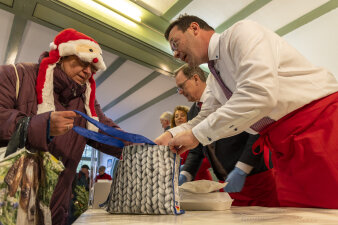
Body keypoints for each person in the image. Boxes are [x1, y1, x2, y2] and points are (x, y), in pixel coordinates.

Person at [155, 15, 338, 208]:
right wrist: (170, 134)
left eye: (175, 44)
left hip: (318, 124)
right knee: (300, 213)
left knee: (330, 208)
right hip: (283, 144)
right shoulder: (213, 78)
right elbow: (207, 114)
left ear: (194, 28)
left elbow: (259, 94)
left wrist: (196, 135)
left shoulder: (240, 33)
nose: (175, 54)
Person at [0, 28, 131, 224]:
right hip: (12, 203)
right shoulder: (15, 75)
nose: (88, 71)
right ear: (62, 55)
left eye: (93, 68)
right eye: (83, 62)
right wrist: (39, 125)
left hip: (56, 210)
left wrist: (142, 147)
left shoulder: (86, 102)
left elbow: (104, 129)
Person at [175, 64, 279, 206]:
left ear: (195, 79)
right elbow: (197, 149)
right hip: (225, 182)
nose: (180, 92)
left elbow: (256, 129)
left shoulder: (227, 94)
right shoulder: (193, 112)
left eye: (181, 86)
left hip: (255, 176)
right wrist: (186, 173)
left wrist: (242, 169)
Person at [171, 105, 212, 182]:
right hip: (183, 183)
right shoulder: (173, 139)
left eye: (182, 115)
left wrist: (187, 169)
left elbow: (207, 159)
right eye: (176, 116)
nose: (179, 118)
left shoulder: (198, 133)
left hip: (201, 181)